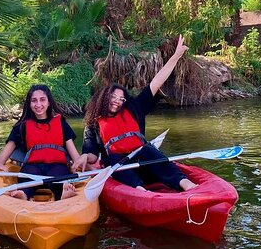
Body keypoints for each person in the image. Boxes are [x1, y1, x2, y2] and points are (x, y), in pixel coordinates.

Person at [81, 35, 197, 192]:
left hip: (144, 164)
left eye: (121, 99)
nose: (117, 101)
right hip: (122, 170)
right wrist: (84, 157)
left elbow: (156, 82)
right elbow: (93, 156)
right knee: (114, 158)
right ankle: (141, 192)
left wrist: (176, 56)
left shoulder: (134, 108)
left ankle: (186, 185)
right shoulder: (93, 122)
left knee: (148, 149)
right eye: (113, 97)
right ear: (104, 97)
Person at [0, 84, 89, 200]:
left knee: (59, 174)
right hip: (32, 168)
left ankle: (62, 192)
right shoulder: (21, 126)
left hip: (57, 167)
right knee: (28, 174)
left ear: (48, 102)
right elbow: (2, 158)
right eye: (34, 101)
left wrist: (83, 157)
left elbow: (75, 157)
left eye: (42, 100)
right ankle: (24, 193)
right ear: (29, 104)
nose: (38, 105)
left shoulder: (61, 124)